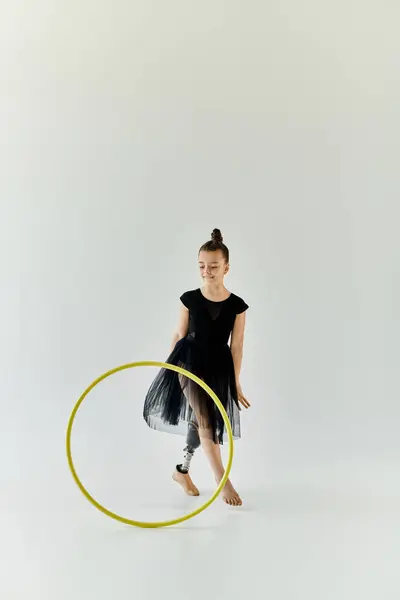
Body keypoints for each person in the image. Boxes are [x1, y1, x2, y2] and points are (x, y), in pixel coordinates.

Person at [143, 228, 250, 506]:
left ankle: (182, 472)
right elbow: (179, 334)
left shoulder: (237, 306)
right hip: (188, 363)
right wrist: (171, 367)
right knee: (206, 420)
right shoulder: (189, 299)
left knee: (200, 421)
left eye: (213, 266)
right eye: (202, 266)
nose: (207, 271)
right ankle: (221, 480)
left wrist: (235, 381)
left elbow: (236, 346)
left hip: (218, 367)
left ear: (226, 267)